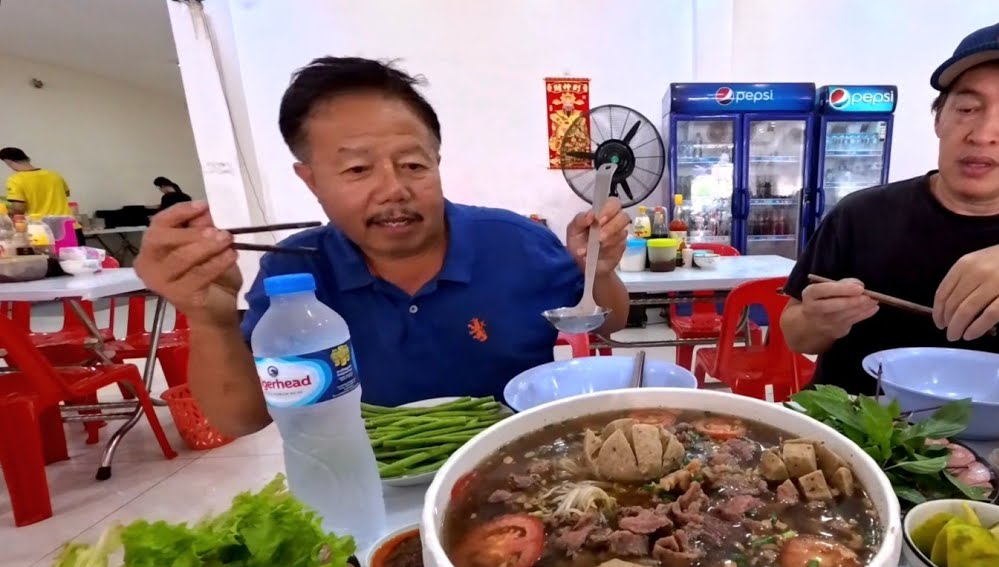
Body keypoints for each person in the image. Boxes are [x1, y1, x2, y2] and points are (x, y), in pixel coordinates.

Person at [133, 57, 632, 438]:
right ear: (310, 181)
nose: (393, 189)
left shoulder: (516, 243)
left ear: (437, 161)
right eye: (356, 169)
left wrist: (600, 273)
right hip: (371, 480)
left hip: (519, 470)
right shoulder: (295, 277)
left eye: (414, 165)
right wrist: (210, 319)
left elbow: (607, 321)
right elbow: (241, 420)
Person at [781, 11, 999, 398]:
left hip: (993, 442)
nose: (983, 134)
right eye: (967, 108)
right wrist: (821, 321)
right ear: (939, 118)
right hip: (846, 429)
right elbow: (796, 332)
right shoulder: (861, 213)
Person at [1, 147, 84, 244]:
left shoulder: (15, 180)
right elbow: (66, 193)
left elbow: (19, 209)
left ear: (8, 161)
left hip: (42, 232)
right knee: (79, 258)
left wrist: (4, 211)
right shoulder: (54, 175)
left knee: (48, 259)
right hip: (70, 228)